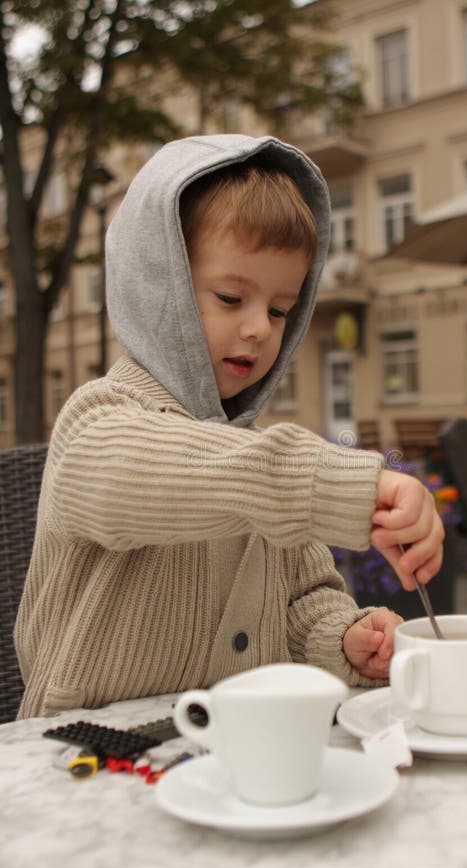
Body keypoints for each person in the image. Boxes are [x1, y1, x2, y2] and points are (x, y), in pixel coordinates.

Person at [15, 134, 444, 719]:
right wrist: (343, 483)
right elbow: (159, 474)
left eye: (277, 309)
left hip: (235, 757)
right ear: (159, 287)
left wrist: (347, 639)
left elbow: (305, 601)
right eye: (230, 296)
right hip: (85, 754)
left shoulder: (261, 454)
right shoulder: (99, 420)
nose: (260, 329)